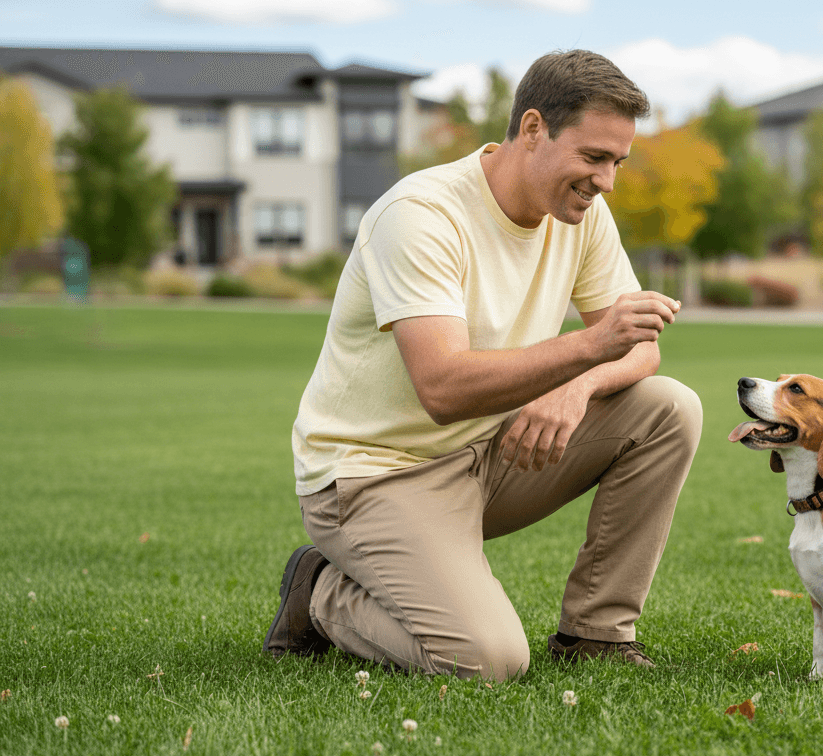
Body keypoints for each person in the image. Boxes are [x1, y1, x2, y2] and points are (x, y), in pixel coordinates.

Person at [263, 50, 703, 681]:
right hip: (377, 475)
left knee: (669, 407)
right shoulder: (421, 215)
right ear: (532, 129)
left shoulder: (582, 215)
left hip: (493, 452)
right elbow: (442, 387)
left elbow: (639, 346)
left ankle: (597, 634)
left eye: (617, 162)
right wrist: (584, 349)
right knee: (487, 662)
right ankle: (321, 593)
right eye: (593, 157)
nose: (607, 181)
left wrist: (575, 388)